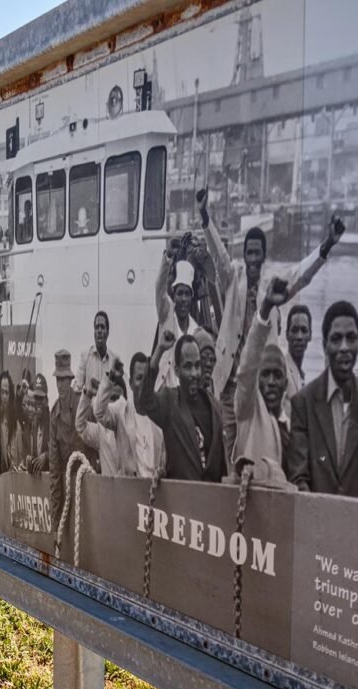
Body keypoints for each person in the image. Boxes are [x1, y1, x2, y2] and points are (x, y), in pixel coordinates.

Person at [196, 185, 344, 456]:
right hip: (230, 384)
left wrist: (327, 245)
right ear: (245, 255)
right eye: (249, 253)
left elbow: (302, 275)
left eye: (257, 253)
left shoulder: (272, 286)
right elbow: (217, 253)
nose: (252, 259)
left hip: (262, 384)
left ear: (263, 256)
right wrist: (204, 215)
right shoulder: (232, 277)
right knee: (230, 446)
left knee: (259, 447)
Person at [288, 301, 358, 497]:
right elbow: (298, 477)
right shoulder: (303, 403)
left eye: (351, 338)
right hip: (315, 522)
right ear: (324, 345)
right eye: (336, 339)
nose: (344, 347)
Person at [137, 330, 226, 482]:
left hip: (212, 500)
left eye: (197, 365)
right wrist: (160, 349)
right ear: (177, 371)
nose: (194, 373)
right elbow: (144, 400)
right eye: (188, 367)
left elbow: (221, 464)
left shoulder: (215, 407)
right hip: (180, 500)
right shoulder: (169, 402)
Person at [232, 278, 294, 487]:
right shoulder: (248, 411)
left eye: (277, 376)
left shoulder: (292, 420)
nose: (271, 382)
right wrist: (265, 309)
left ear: (286, 384)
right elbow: (247, 368)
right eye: (265, 374)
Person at [94, 352, 163, 478]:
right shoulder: (121, 411)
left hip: (155, 493)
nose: (144, 384)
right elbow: (99, 411)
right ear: (130, 383)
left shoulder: (160, 416)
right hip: (129, 493)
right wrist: (111, 378)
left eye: (147, 379)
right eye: (139, 378)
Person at [49, 350, 93, 530]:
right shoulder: (54, 415)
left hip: (88, 485)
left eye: (64, 380)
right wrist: (55, 517)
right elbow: (54, 467)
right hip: (68, 489)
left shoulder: (83, 406)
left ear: (70, 380)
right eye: (58, 380)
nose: (60, 385)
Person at [155, 249, 200, 387]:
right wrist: (167, 257)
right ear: (174, 295)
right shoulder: (166, 317)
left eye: (187, 294)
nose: (183, 299)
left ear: (191, 298)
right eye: (180, 293)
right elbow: (159, 289)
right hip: (167, 394)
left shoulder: (196, 329)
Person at [75, 376, 121, 477]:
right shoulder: (100, 431)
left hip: (130, 490)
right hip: (107, 490)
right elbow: (80, 426)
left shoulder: (130, 426)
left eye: (118, 398)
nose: (115, 403)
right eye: (112, 398)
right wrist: (88, 395)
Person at [73, 311, 120, 394]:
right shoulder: (85, 356)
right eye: (97, 327)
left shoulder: (115, 359)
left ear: (108, 333)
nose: (99, 331)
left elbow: (120, 390)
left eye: (102, 327)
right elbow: (76, 388)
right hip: (89, 405)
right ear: (94, 332)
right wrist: (87, 391)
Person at [284, 304, 312, 412]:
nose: (299, 337)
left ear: (310, 335)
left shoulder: (301, 376)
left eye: (304, 330)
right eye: (294, 330)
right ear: (287, 335)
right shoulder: (281, 370)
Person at [0, 370, 22, 474]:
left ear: (10, 395)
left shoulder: (16, 426)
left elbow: (20, 461)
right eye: (2, 392)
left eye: (7, 392)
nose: (4, 396)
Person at [27, 372, 50, 473]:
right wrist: (28, 459)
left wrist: (46, 457)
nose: (38, 402)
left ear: (47, 400)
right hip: (37, 483)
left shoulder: (53, 423)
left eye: (41, 398)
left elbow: (62, 450)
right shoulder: (33, 425)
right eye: (36, 398)